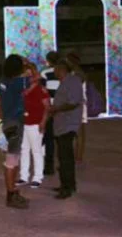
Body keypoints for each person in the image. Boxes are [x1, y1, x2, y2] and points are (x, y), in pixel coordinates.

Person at [0, 54, 31, 209]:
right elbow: (35, 76)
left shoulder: (3, 81)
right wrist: (28, 63)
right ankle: (10, 195)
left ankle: (13, 190)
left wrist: (2, 115)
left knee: (12, 159)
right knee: (12, 160)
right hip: (16, 122)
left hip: (8, 121)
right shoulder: (20, 82)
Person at [50, 58, 83, 199]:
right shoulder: (65, 83)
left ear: (62, 70)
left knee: (65, 158)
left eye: (56, 70)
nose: (55, 72)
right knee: (64, 156)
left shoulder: (73, 81)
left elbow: (74, 102)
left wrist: (57, 109)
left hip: (68, 124)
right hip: (61, 124)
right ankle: (68, 184)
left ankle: (67, 187)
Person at [19, 61, 50, 188]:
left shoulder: (41, 89)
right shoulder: (22, 89)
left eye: (29, 75)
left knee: (36, 151)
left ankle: (37, 177)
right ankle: (23, 176)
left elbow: (47, 107)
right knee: (24, 150)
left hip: (35, 123)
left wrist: (43, 122)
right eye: (24, 75)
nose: (27, 78)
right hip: (23, 123)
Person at [41, 51, 61, 176]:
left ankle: (49, 166)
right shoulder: (66, 72)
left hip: (49, 108)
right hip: (61, 107)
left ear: (48, 61)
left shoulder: (45, 73)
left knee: (48, 138)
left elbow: (43, 92)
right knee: (61, 138)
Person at [67, 52, 88, 164]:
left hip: (77, 105)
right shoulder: (77, 73)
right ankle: (77, 156)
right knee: (78, 132)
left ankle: (78, 156)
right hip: (77, 104)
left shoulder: (77, 74)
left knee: (78, 132)